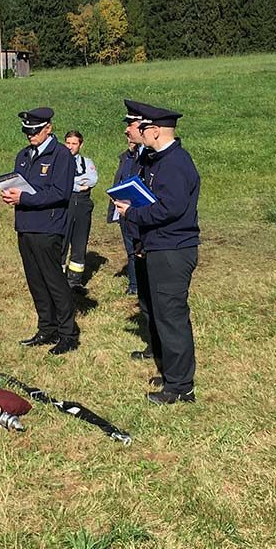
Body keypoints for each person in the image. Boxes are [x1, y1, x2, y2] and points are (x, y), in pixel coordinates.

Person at [112, 99, 200, 405]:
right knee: (162, 315)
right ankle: (170, 373)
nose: (137, 130)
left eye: (143, 126)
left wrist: (130, 214)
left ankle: (180, 386)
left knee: (172, 317)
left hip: (173, 249)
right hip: (157, 246)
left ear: (157, 131)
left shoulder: (176, 163)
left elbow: (169, 209)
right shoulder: (157, 159)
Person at [0, 107, 78, 354]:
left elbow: (60, 193)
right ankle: (47, 328)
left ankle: (68, 333)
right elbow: (19, 184)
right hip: (25, 225)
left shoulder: (61, 155)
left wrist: (24, 198)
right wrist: (11, 195)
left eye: (34, 131)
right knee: (35, 281)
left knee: (54, 281)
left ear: (48, 128)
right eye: (26, 131)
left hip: (48, 227)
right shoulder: (23, 155)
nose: (29, 135)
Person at [108, 109, 146, 298]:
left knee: (141, 249)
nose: (127, 134)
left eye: (130, 126)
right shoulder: (126, 157)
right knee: (131, 249)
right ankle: (134, 284)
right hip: (124, 210)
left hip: (140, 210)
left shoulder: (147, 156)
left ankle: (140, 284)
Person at [60, 131, 98, 291]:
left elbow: (92, 180)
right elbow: (60, 182)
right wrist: (76, 184)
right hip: (65, 204)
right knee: (61, 242)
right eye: (68, 143)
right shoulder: (59, 161)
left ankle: (74, 281)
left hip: (82, 205)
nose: (70, 146)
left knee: (79, 243)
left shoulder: (86, 161)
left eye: (74, 143)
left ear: (80, 145)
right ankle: (58, 278)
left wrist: (71, 183)